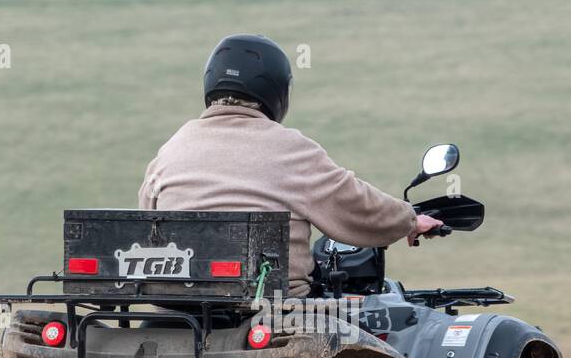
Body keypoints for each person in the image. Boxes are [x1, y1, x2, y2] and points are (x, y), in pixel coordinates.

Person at [138, 33, 443, 296]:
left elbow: (146, 218)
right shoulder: (288, 148)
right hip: (275, 307)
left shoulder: (174, 146)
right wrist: (409, 220)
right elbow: (354, 202)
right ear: (277, 90)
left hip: (176, 305)